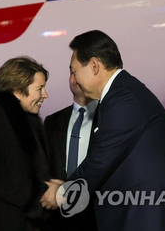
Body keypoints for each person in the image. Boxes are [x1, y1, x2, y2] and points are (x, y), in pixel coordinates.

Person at [48, 30, 165, 231]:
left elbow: (100, 159)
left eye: (74, 71)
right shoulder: (121, 94)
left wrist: (63, 191)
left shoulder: (123, 99)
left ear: (94, 65)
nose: (74, 79)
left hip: (148, 219)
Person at [0, 56, 62, 231]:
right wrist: (42, 196)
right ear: (17, 90)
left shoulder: (27, 122)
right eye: (39, 88)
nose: (45, 95)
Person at [43, 69, 98, 230]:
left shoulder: (109, 119)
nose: (75, 78)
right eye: (72, 72)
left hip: (94, 216)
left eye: (79, 72)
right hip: (57, 218)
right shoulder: (52, 121)